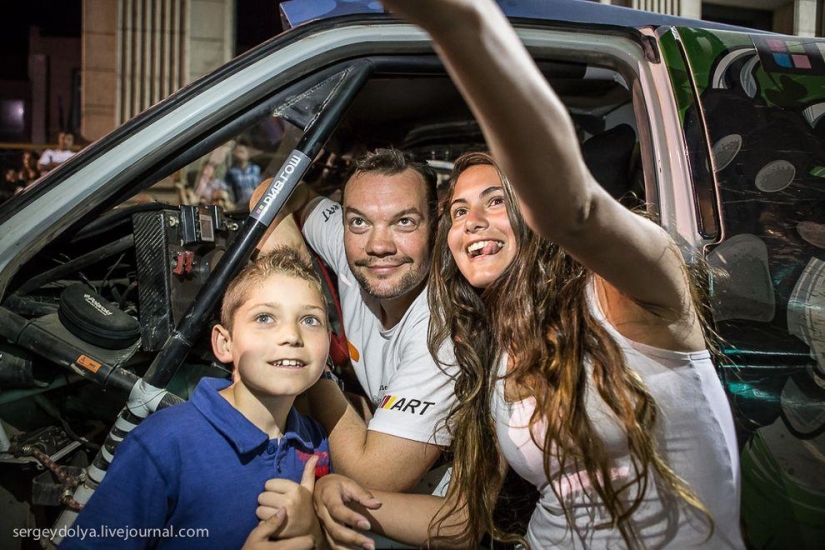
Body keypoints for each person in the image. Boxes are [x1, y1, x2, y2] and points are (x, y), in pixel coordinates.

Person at [299, 1, 745, 549]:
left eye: (496, 200)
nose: (473, 222)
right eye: (459, 211)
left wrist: (462, 25)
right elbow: (459, 522)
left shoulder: (638, 291)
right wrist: (338, 499)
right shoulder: (497, 347)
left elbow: (572, 209)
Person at [60, 247, 332, 549]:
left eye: (310, 320)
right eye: (265, 317)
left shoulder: (314, 440)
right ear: (224, 344)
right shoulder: (164, 443)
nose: (292, 335)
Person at [250, 149, 456, 497]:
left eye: (404, 221)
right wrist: (298, 293)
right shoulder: (352, 249)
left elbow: (374, 478)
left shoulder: (441, 332)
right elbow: (274, 189)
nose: (378, 246)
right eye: (358, 221)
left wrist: (311, 360)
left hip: (420, 508)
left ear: (435, 227)